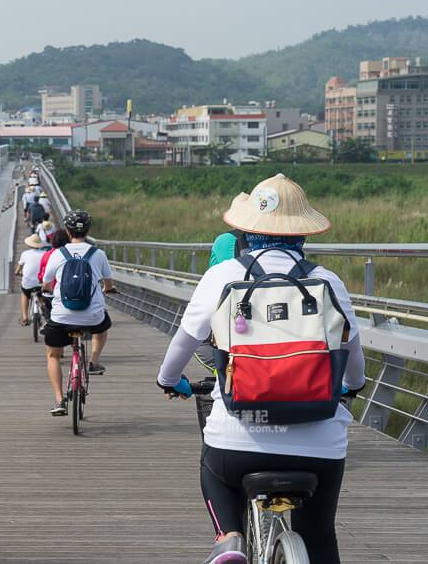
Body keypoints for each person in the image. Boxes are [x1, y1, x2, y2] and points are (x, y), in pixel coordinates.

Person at [155, 174, 365, 564]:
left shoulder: (222, 276)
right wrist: (352, 385)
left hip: (238, 440)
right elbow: (353, 358)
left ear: (247, 231)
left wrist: (167, 380)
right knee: (320, 537)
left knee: (213, 470)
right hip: (319, 447)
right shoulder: (327, 281)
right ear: (302, 233)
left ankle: (229, 538)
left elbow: (183, 342)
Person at [41, 209, 115, 415]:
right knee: (104, 325)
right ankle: (94, 361)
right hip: (92, 317)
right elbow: (108, 283)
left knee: (53, 356)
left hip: (61, 316)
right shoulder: (98, 254)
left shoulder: (57, 254)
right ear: (88, 230)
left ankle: (59, 400)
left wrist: (48, 290)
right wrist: (107, 289)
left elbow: (46, 283)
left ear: (67, 230)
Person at [15, 233, 49, 326]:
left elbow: (18, 269)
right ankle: (43, 309)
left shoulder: (25, 254)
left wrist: (17, 273)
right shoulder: (45, 253)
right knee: (41, 294)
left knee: (25, 294)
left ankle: (25, 318)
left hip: (28, 283)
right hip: (42, 282)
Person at [37, 229, 69, 318]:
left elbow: (42, 275)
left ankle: (47, 318)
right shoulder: (71, 254)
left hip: (50, 293)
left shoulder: (47, 255)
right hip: (67, 294)